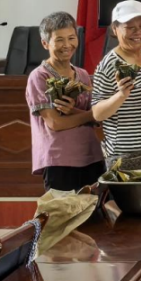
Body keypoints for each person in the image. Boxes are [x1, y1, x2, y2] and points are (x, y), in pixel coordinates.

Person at [26, 11, 104, 192]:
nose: (67, 45)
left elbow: (97, 120)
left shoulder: (83, 74)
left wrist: (76, 112)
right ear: (45, 43)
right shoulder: (39, 76)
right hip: (59, 159)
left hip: (91, 155)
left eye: (71, 38)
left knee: (95, 208)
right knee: (62, 209)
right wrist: (90, 115)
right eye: (59, 40)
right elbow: (55, 123)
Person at [92, 0, 141, 164]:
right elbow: (97, 113)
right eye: (130, 27)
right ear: (115, 29)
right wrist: (121, 95)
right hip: (125, 157)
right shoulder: (108, 65)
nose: (138, 32)